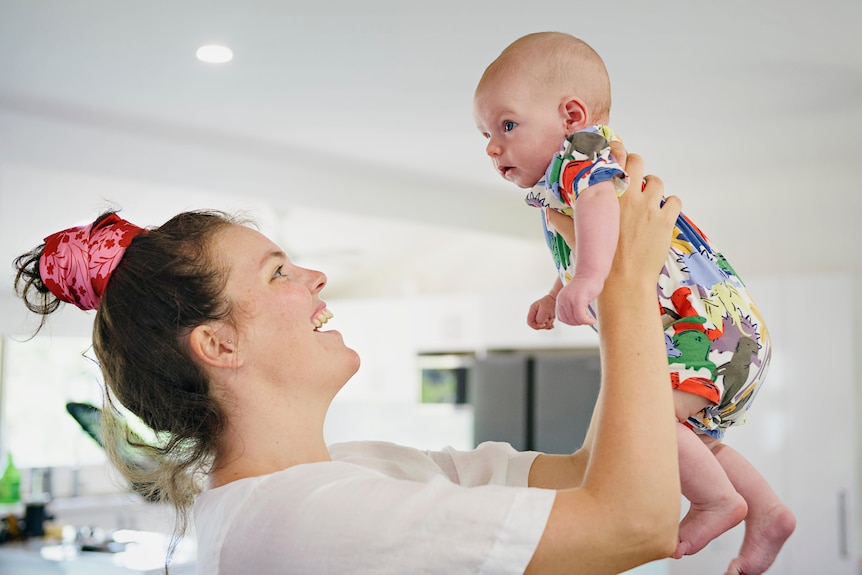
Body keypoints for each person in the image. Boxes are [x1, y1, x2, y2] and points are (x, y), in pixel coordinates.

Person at [13, 156, 680, 575]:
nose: (316, 276)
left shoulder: (348, 472)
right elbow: (635, 522)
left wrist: (605, 275)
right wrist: (623, 289)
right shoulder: (301, 524)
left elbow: (589, 475)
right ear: (218, 345)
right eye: (279, 272)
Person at [472, 31, 796, 575]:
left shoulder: (582, 157)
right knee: (681, 440)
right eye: (484, 134)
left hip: (703, 330)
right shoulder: (567, 177)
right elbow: (590, 236)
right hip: (723, 333)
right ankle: (768, 512)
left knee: (652, 427)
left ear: (571, 114)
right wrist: (561, 289)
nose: (491, 146)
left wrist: (589, 279)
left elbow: (601, 210)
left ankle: (719, 502)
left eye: (506, 125)